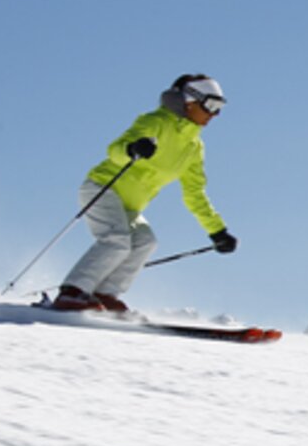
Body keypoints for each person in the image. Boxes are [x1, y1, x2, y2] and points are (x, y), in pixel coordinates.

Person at [48, 74, 238, 312]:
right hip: (103, 188)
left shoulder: (194, 148)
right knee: (117, 241)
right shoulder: (156, 122)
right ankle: (72, 292)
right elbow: (115, 150)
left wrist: (217, 231)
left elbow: (195, 193)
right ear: (190, 100)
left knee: (145, 242)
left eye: (219, 108)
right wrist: (132, 149)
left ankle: (104, 293)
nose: (214, 114)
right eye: (211, 106)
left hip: (129, 206)